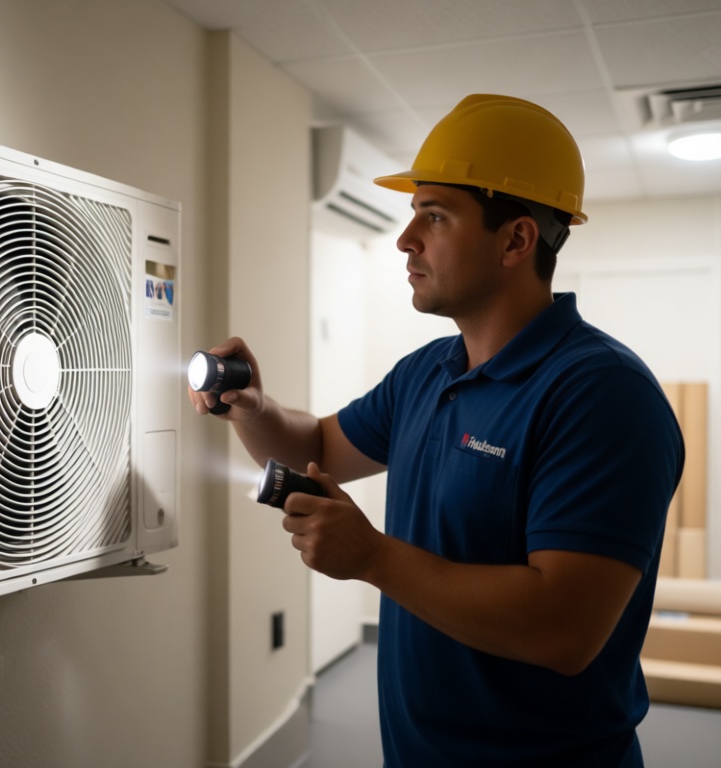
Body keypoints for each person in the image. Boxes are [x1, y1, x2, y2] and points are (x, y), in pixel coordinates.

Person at [188, 95, 684, 767]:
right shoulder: (427, 371)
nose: (405, 239)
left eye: (435, 215)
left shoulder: (601, 394)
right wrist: (253, 408)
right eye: (413, 211)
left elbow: (564, 629)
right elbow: (317, 449)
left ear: (516, 240)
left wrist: (372, 557)